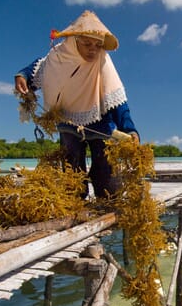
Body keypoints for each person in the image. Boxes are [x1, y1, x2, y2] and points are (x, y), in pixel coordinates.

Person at [14, 10, 139, 199]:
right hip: (68, 123)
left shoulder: (102, 61)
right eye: (87, 43)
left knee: (106, 177)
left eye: (98, 45)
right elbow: (36, 69)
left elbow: (118, 100)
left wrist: (130, 129)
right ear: (73, 42)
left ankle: (109, 213)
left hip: (101, 125)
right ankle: (76, 214)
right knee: (73, 175)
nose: (93, 49)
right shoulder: (57, 57)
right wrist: (22, 76)